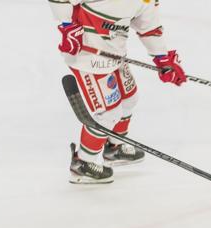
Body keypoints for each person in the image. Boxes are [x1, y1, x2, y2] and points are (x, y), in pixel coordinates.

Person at [49, 0, 186, 184]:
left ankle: (115, 147)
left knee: (130, 98)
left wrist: (162, 58)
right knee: (108, 114)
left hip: (115, 55)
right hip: (88, 57)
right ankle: (83, 163)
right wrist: (67, 26)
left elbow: (148, 26)